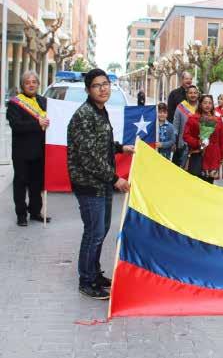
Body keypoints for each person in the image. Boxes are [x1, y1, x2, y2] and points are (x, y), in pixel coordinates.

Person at [67, 68, 134, 300]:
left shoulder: (100, 111)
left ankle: (94, 273)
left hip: (101, 183)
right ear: (88, 90)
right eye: (97, 85)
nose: (103, 89)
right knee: (93, 233)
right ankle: (86, 281)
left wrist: (120, 148)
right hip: (89, 184)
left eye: (105, 84)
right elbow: (89, 157)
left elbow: (101, 144)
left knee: (101, 231)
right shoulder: (84, 115)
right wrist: (116, 179)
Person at [7, 71, 51, 226]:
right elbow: (16, 125)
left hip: (40, 150)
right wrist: (37, 124)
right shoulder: (15, 103)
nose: (31, 85)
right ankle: (21, 215)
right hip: (22, 152)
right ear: (22, 85)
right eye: (27, 82)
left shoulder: (44, 101)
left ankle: (35, 212)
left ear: (38, 84)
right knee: (21, 183)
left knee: (37, 183)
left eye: (34, 82)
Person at [183, 95, 223, 184]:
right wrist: (198, 142)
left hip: (213, 156)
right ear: (200, 104)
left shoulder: (218, 120)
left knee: (209, 183)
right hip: (198, 154)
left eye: (210, 103)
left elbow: (222, 140)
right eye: (205, 103)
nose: (207, 105)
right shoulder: (193, 119)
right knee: (197, 183)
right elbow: (186, 136)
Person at [167, 71, 193, 165]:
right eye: (187, 79)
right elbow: (170, 114)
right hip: (178, 131)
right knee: (178, 158)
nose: (189, 81)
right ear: (182, 80)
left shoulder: (195, 94)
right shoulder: (174, 94)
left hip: (192, 131)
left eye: (190, 79)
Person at [172, 85, 198, 168]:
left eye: (195, 93)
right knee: (183, 168)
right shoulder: (181, 107)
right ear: (186, 95)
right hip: (183, 144)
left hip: (199, 144)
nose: (193, 95)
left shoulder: (201, 107)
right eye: (190, 93)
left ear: (197, 94)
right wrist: (174, 142)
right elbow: (175, 127)